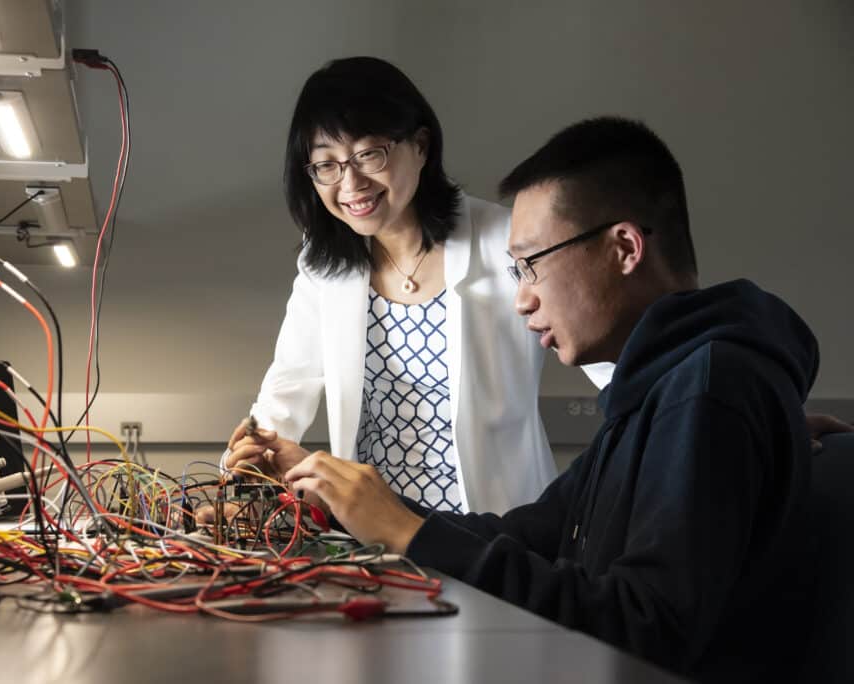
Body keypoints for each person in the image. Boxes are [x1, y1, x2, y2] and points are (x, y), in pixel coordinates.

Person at [231, 117, 818, 683]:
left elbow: (646, 630)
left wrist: (407, 533)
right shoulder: (658, 390)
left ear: (624, 248)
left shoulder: (707, 391)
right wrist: (343, 507)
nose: (522, 299)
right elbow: (531, 531)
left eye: (531, 266)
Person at [226, 56, 577, 513]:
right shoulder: (323, 260)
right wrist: (239, 479)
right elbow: (284, 395)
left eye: (369, 154)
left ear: (421, 145)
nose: (350, 183)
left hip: (497, 531)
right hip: (373, 533)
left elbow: (612, 360)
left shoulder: (505, 241)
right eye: (325, 165)